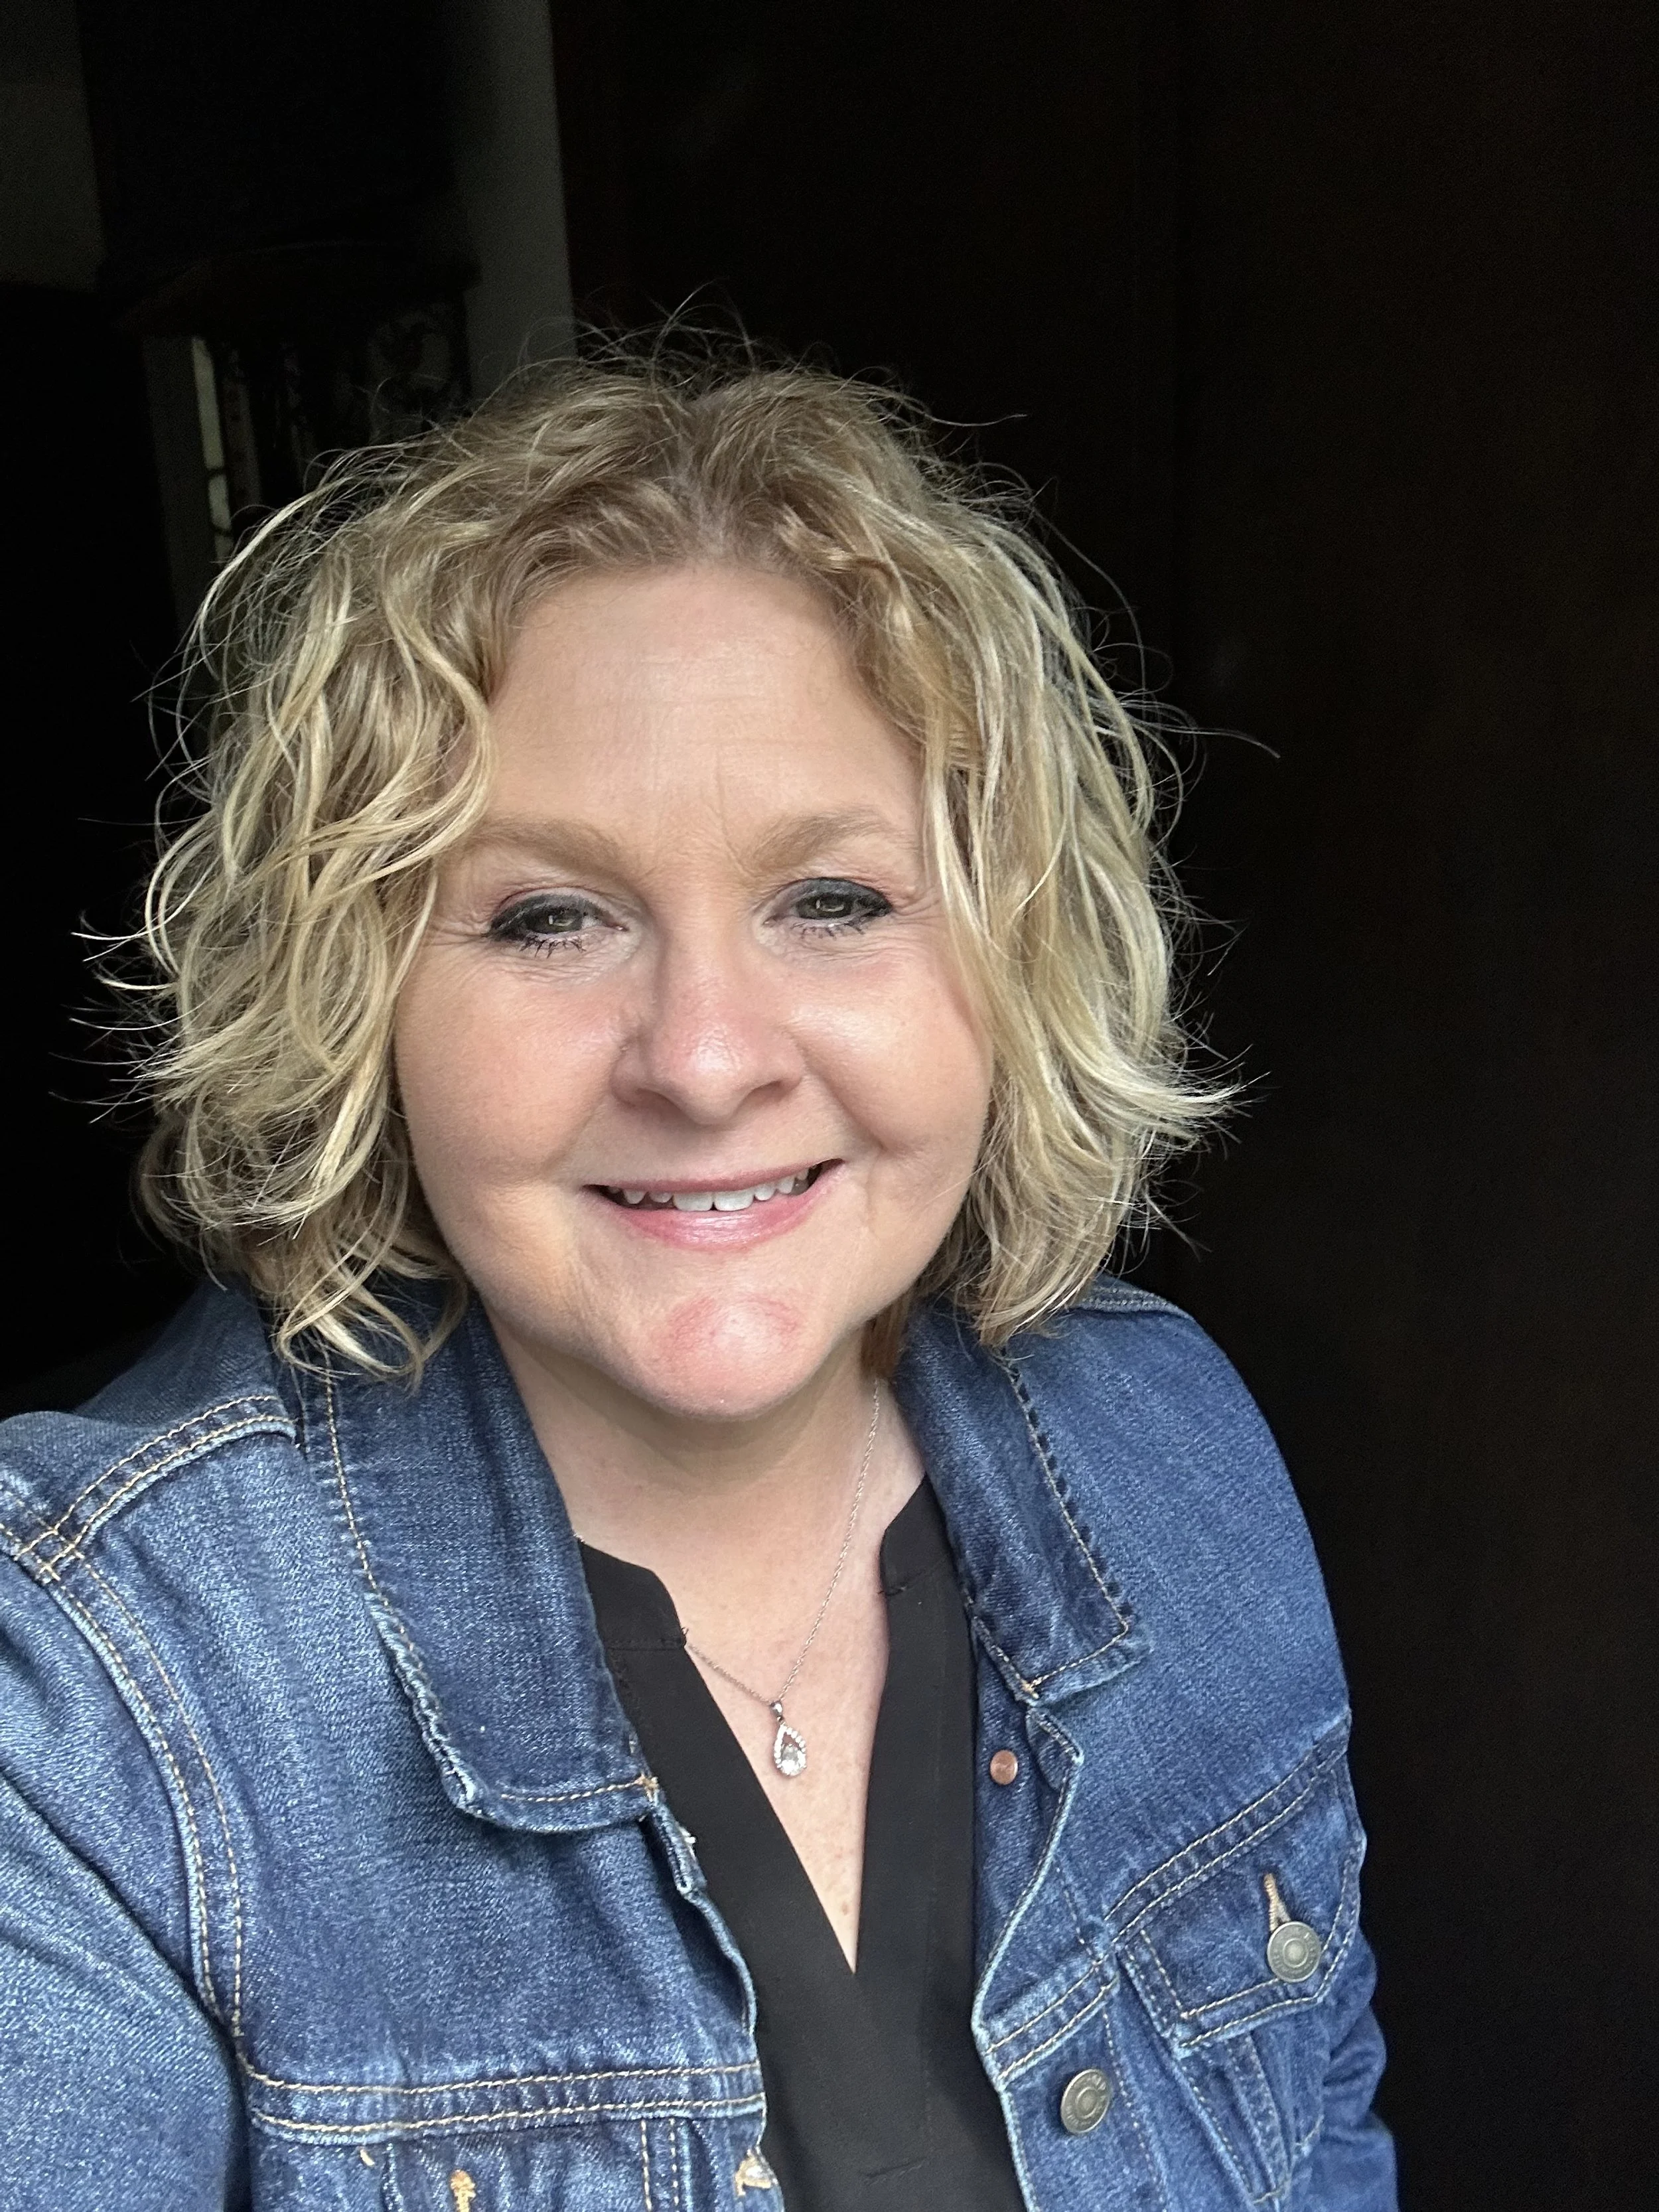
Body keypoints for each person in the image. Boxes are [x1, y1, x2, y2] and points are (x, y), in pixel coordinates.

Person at [0, 350, 1396, 2209]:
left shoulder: (1164, 1446)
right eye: (547, 915)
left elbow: (1322, 2141)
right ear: (359, 1001)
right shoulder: (94, 1702)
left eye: (832, 898)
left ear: (1006, 964)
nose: (706, 1056)